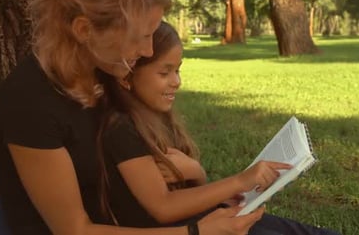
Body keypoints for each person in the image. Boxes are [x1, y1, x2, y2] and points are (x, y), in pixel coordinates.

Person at [0, 0, 265, 235]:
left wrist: (210, 192)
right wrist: (196, 232)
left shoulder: (105, 73)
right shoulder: (29, 103)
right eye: (140, 37)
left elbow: (153, 193)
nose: (147, 51)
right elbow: (74, 230)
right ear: (84, 30)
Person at [98, 21, 341, 235]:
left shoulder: (157, 117)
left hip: (201, 217)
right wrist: (239, 181)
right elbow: (163, 207)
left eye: (178, 70)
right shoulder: (121, 127)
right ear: (126, 74)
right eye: (165, 72)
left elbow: (181, 191)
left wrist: (196, 172)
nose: (177, 81)